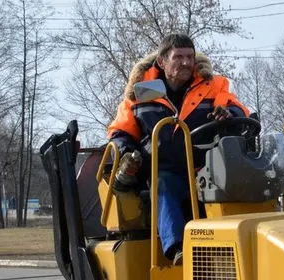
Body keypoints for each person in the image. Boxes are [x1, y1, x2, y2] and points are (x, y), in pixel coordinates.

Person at [106, 33, 250, 265]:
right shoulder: (139, 94)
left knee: (243, 184)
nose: (185, 62)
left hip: (206, 169)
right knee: (163, 183)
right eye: (178, 57)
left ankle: (244, 248)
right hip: (164, 170)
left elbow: (238, 108)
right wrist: (126, 156)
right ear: (162, 62)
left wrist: (228, 113)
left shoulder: (213, 85)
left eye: (190, 57)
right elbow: (120, 132)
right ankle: (178, 249)